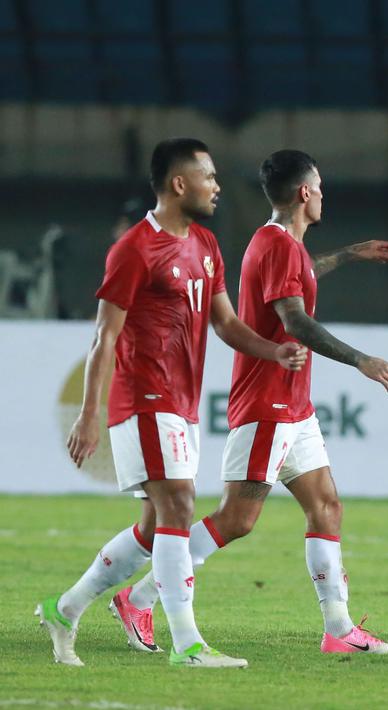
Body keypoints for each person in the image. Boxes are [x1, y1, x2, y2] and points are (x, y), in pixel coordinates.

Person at [113, 149, 388, 656]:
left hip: (295, 407)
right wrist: (361, 360)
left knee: (327, 507)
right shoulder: (276, 245)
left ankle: (338, 630)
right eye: (320, 187)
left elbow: (303, 272)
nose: (323, 195)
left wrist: (350, 254)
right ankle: (138, 599)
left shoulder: (281, 244)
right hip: (267, 404)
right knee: (236, 520)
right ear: (305, 192)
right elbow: (295, 320)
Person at [41, 138, 306, 668]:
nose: (217, 186)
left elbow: (226, 323)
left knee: (152, 526)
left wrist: (273, 349)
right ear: (179, 183)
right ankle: (187, 645)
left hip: (181, 403)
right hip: (143, 396)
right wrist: (90, 415)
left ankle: (64, 609)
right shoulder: (134, 249)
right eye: (208, 177)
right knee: (180, 506)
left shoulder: (206, 244)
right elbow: (104, 338)